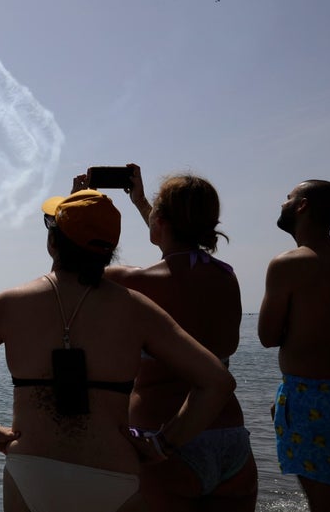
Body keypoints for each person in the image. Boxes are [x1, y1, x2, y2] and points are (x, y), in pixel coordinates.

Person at [0, 189, 236, 512]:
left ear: (53, 242)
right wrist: (164, 442)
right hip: (113, 473)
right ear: (110, 251)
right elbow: (217, 381)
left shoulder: (11, 305)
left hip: (32, 469)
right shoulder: (136, 309)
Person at [102, 166, 257, 510]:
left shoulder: (131, 282)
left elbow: (72, 269)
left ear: (160, 220)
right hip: (230, 438)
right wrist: (142, 202)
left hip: (164, 440)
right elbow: (176, 247)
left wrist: (78, 207)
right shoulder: (226, 278)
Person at [258, 179, 330, 511]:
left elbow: (267, 337)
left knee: (324, 504)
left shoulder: (289, 264)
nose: (283, 203)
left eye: (288, 198)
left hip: (310, 399)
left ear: (302, 206)